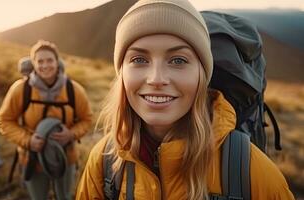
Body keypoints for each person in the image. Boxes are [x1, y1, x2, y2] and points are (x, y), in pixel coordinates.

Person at [76, 0, 294, 199]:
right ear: (122, 73)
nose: (157, 79)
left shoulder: (253, 174)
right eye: (139, 59)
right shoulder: (104, 161)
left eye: (178, 60)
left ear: (202, 75)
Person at [0, 40, 93, 200]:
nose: (45, 65)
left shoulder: (73, 89)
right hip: (32, 157)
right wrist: (28, 140)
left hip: (65, 156)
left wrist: (71, 134)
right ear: (33, 64)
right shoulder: (21, 89)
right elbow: (4, 121)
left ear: (57, 62)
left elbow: (87, 119)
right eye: (40, 61)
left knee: (65, 196)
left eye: (49, 60)